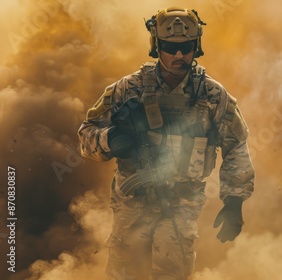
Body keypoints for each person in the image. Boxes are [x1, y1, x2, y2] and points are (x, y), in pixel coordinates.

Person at [78, 6, 255, 280]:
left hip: (181, 204)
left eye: (186, 47)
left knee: (173, 274)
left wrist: (234, 201)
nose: (179, 55)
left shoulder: (213, 96)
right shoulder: (128, 89)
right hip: (132, 204)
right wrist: (110, 139)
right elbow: (86, 133)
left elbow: (237, 145)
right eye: (170, 47)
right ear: (156, 45)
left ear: (196, 46)